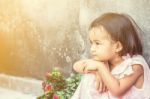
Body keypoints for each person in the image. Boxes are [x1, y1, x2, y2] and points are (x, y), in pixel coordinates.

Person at [71, 12, 150, 99]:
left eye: (97, 43)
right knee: (89, 76)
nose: (92, 49)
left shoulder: (135, 66)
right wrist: (97, 72)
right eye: (91, 43)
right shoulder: (104, 60)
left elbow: (117, 91)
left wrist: (100, 67)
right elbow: (76, 66)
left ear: (117, 46)